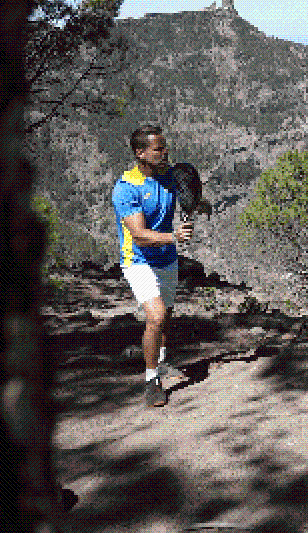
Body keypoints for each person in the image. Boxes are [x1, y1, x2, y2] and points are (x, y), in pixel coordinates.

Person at [112, 124, 195, 407]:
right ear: (141, 153)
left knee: (165, 316)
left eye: (164, 146)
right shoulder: (126, 188)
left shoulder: (170, 177)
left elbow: (188, 194)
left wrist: (199, 206)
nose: (165, 152)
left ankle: (159, 361)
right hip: (138, 260)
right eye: (158, 148)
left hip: (167, 258)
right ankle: (151, 380)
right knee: (156, 316)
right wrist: (174, 236)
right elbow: (139, 235)